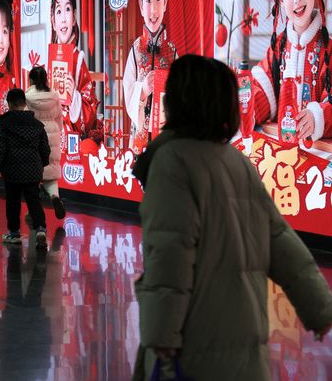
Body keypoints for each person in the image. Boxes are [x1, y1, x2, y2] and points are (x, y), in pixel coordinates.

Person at [131, 54, 332, 381]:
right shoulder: (237, 163)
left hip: (194, 350)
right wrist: (319, 308)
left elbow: (169, 259)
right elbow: (281, 243)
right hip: (245, 347)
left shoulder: (171, 161)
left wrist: (160, 338)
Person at [252, 0, 332, 143]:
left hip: (320, 163)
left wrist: (317, 117)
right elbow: (260, 89)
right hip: (283, 160)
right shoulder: (277, 49)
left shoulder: (328, 51)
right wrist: (246, 106)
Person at [123, 0, 178, 155]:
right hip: (139, 145)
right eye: (147, 0)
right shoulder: (135, 51)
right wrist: (143, 90)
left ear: (166, 1)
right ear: (140, 5)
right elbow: (129, 95)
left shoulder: (173, 53)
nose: (153, 10)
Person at [0, 88, 51, 249]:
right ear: (24, 103)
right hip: (33, 169)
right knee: (33, 200)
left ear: (8, 104)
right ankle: (41, 229)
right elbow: (45, 149)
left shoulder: (4, 124)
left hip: (12, 170)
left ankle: (14, 233)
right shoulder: (37, 125)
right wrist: (41, 165)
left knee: (13, 201)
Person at [47, 0, 98, 137]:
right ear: (53, 20)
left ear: (74, 17)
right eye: (59, 11)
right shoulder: (48, 61)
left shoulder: (78, 60)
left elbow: (89, 113)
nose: (63, 19)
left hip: (70, 140)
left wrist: (74, 95)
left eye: (67, 9)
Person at [25, 66, 65, 218]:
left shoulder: (28, 96)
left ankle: (33, 211)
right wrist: (56, 131)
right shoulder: (53, 95)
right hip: (52, 136)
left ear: (32, 80)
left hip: (34, 136)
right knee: (50, 175)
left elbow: (25, 118)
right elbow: (59, 119)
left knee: (33, 177)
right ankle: (54, 197)